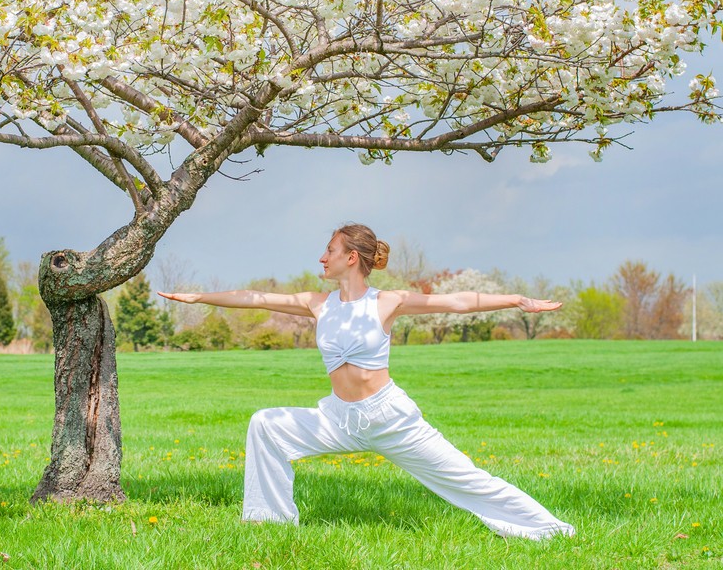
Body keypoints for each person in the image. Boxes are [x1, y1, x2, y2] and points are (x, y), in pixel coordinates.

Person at [158, 223, 575, 539]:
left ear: (351, 258)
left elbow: (459, 301)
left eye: (330, 250)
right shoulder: (317, 303)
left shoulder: (387, 302)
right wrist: (198, 297)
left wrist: (517, 300)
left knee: (466, 478)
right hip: (338, 418)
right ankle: (270, 524)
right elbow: (254, 298)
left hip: (389, 419)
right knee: (266, 424)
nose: (322, 257)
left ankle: (551, 531)